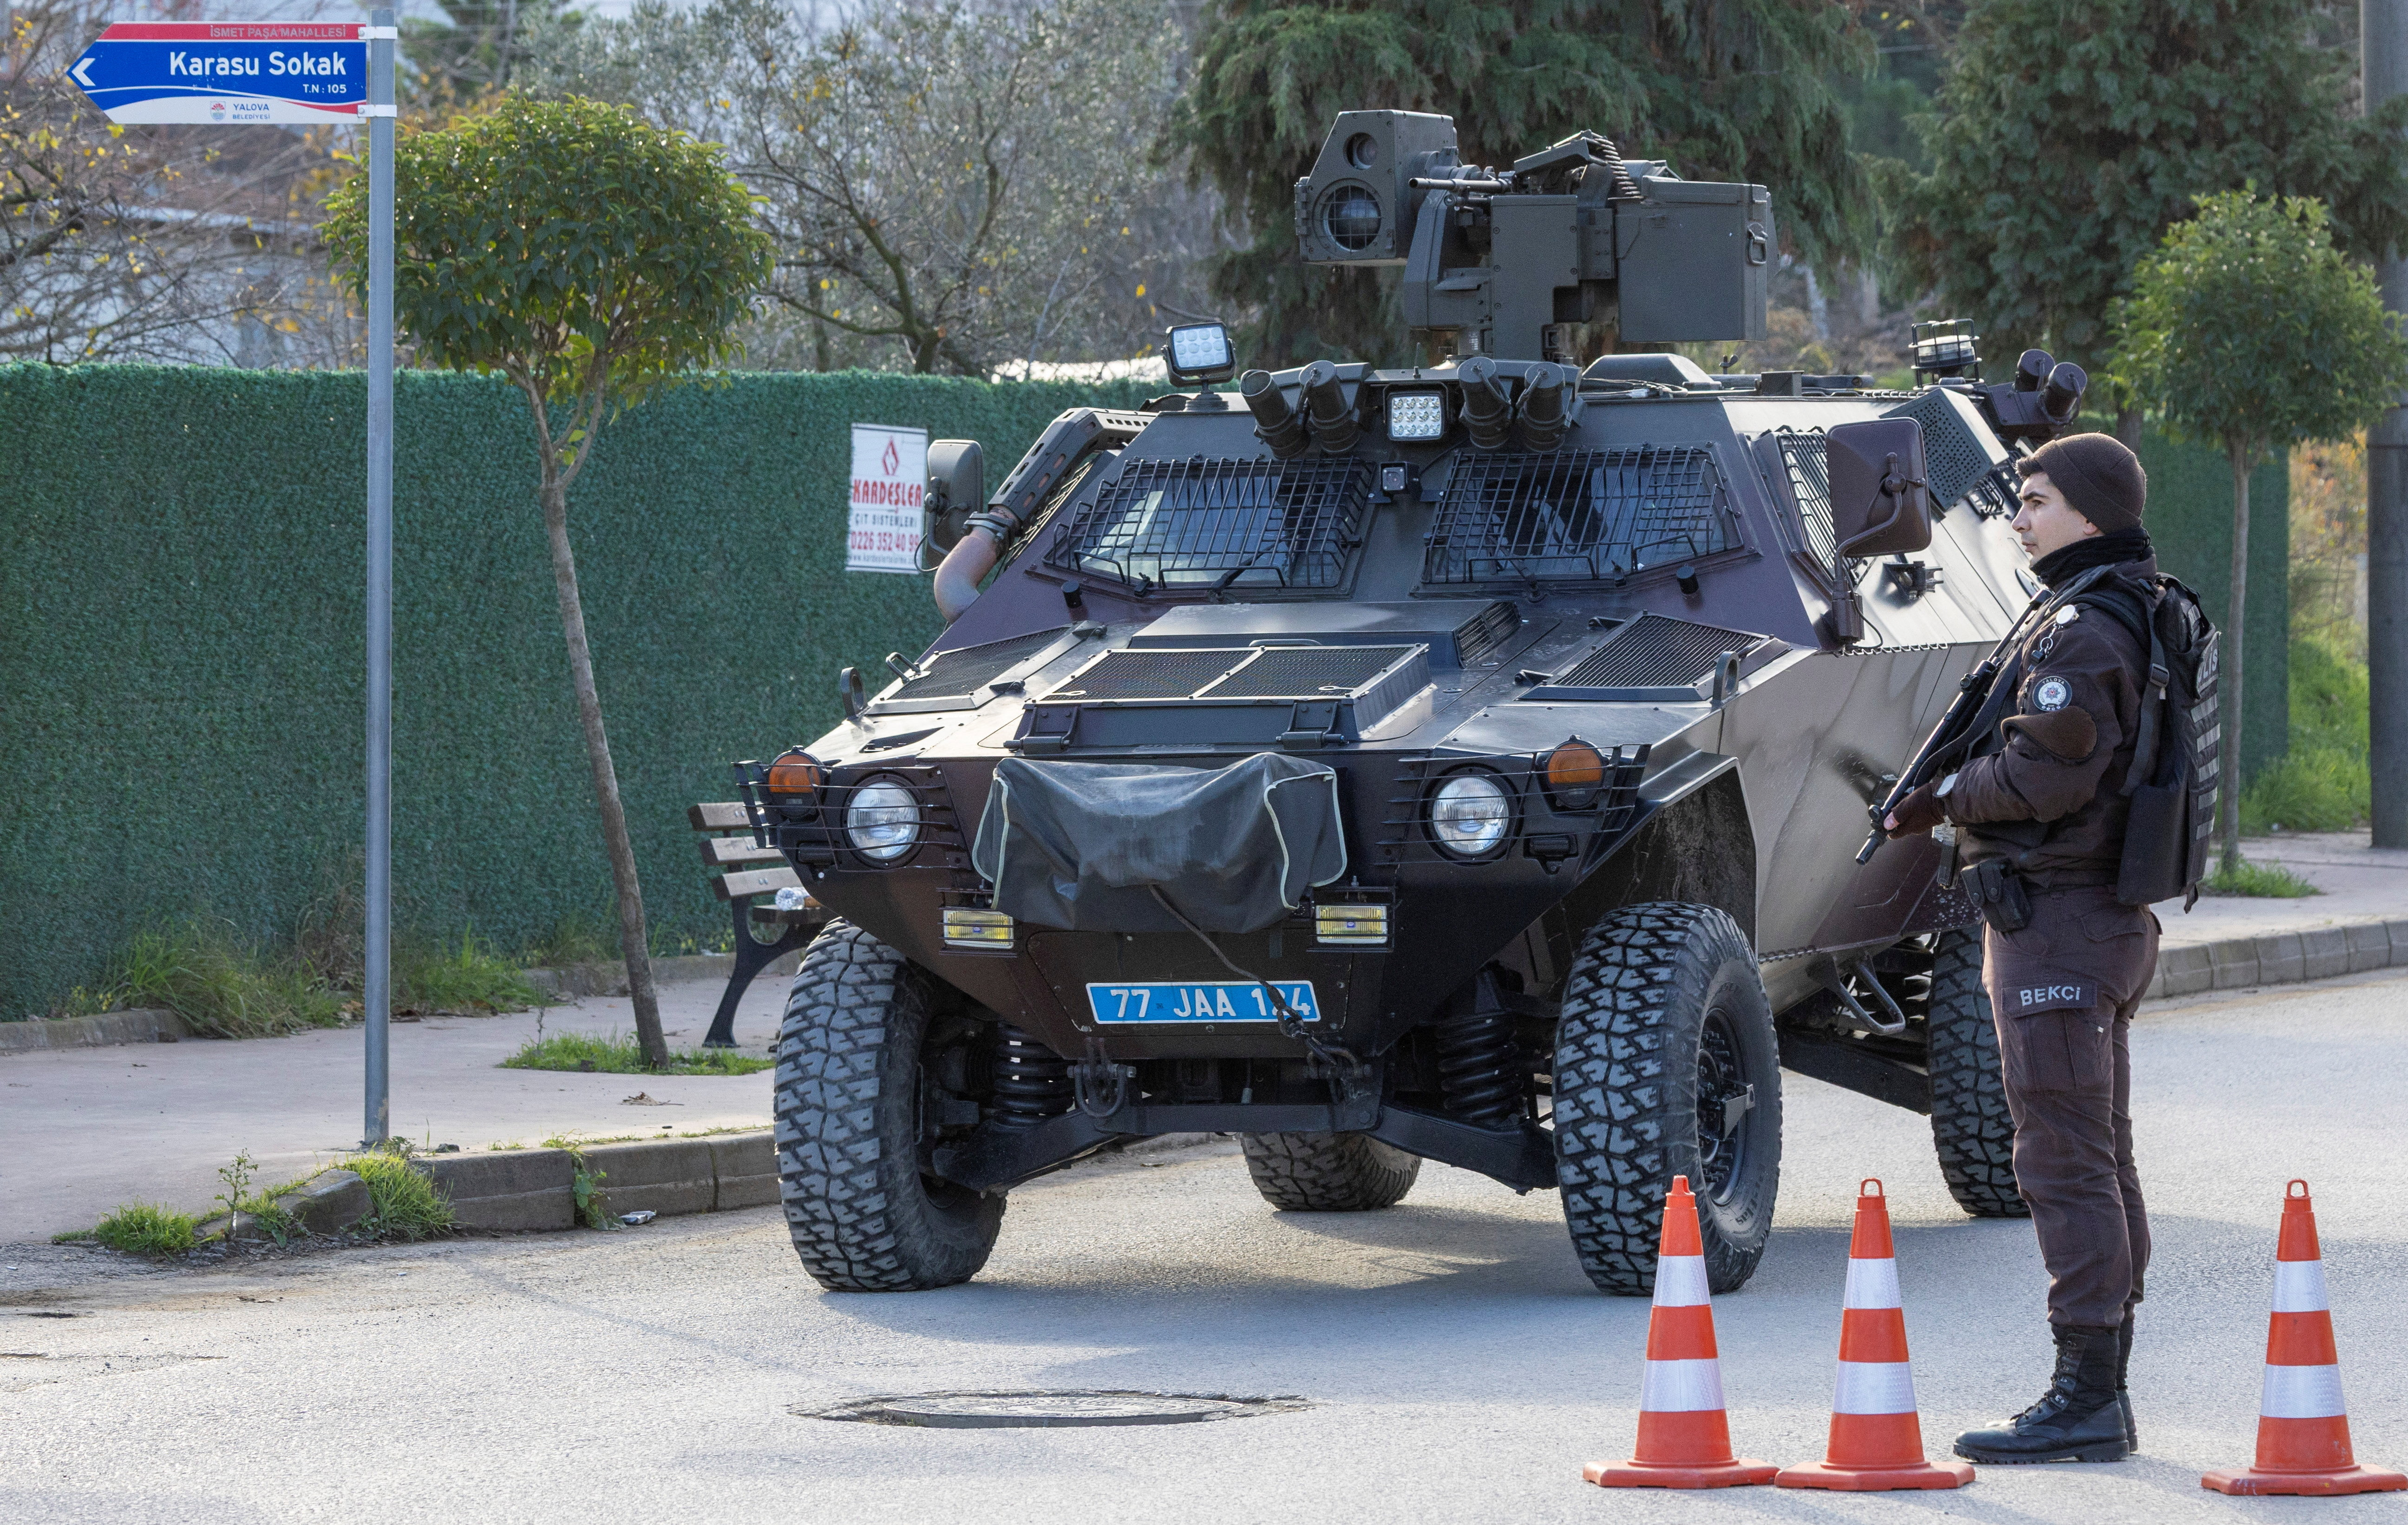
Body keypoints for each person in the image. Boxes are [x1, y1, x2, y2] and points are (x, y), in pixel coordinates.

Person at [1882, 432, 2160, 1464]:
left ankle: (2084, 1395)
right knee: (2096, 1155)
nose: (2019, 517)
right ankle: (2103, 1389)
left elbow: (2046, 782)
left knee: (2063, 1160)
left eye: (2035, 500)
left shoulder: (2086, 629)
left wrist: (1943, 800)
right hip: (2090, 920)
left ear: (2087, 513)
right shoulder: (2115, 605)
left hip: (2061, 919)